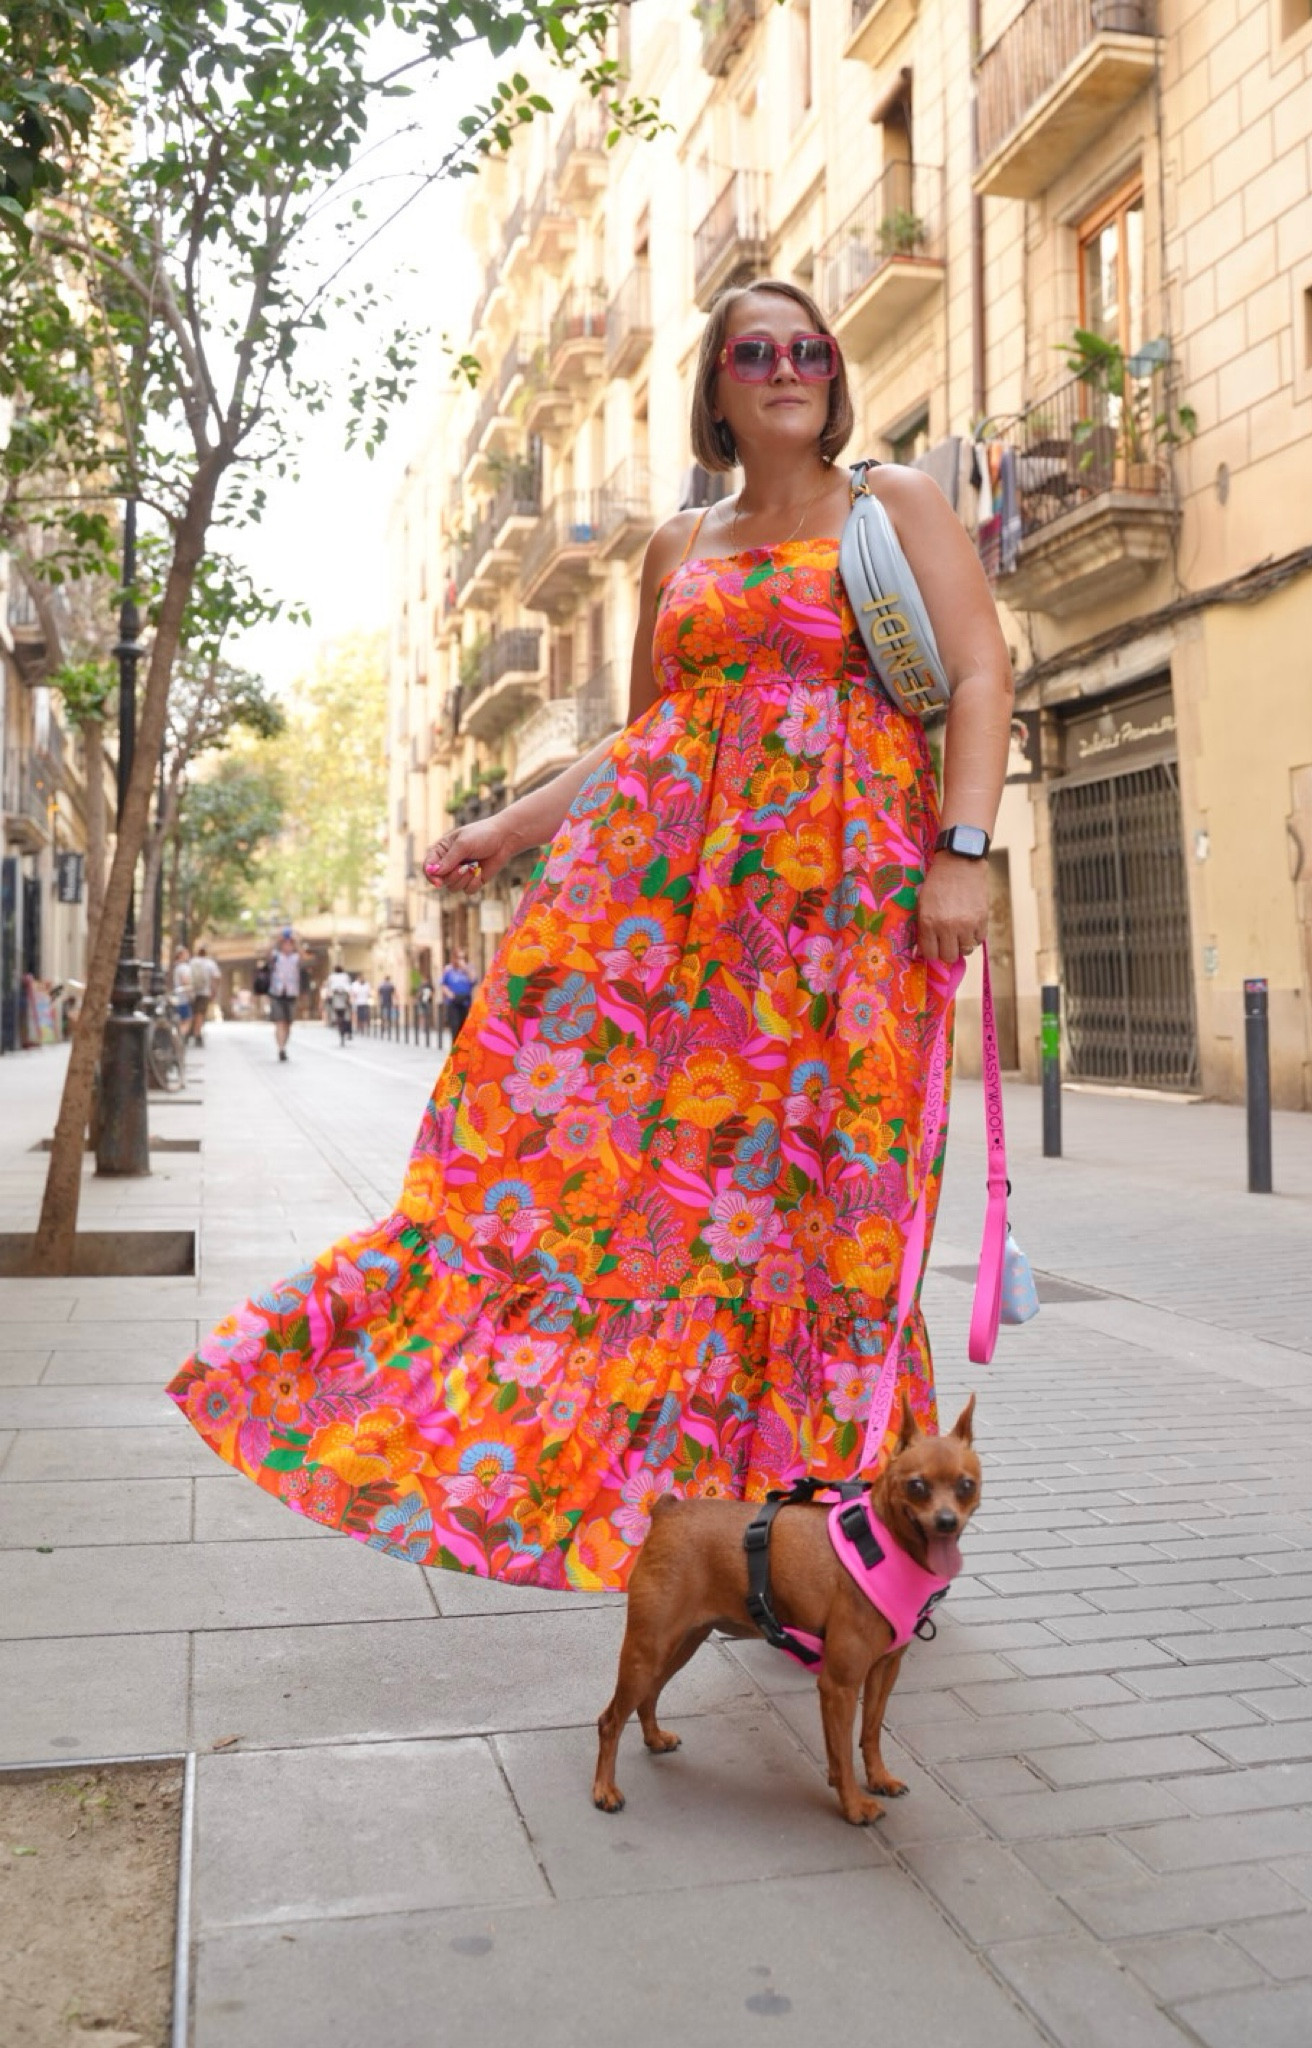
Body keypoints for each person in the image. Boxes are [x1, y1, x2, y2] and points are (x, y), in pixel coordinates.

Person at [167, 277, 1012, 1597]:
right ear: (715, 385)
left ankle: (861, 1540)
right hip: (696, 937)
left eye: (809, 348)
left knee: (836, 1205)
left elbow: (977, 671)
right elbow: (649, 741)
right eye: (756, 352)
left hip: (848, 922)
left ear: (834, 375)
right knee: (672, 1209)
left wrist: (961, 852)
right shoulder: (677, 547)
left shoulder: (889, 504)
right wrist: (508, 828)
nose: (788, 367)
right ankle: (738, 1535)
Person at [268, 930, 302, 1062]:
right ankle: (281, 1048)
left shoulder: (295, 957)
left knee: (288, 1023)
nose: (287, 946)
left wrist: (297, 941)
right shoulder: (276, 956)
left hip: (291, 993)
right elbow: (268, 953)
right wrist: (277, 939)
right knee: (280, 1022)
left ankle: (284, 1045)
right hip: (277, 993)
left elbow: (304, 956)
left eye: (290, 944)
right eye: (285, 944)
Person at [187, 943, 220, 1047]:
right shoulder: (210, 963)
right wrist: (213, 991)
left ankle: (191, 1032)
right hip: (204, 992)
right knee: (200, 1014)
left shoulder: (192, 962)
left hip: (191, 991)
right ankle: (197, 1034)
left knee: (193, 1013)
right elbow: (216, 977)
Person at [440, 951, 474, 1040]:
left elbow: (473, 980)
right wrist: (450, 994)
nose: (460, 960)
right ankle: (455, 1045)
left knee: (465, 1028)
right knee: (455, 1026)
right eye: (459, 958)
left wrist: (466, 969)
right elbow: (443, 984)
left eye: (462, 958)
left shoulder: (469, 969)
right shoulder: (449, 969)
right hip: (453, 1001)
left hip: (466, 1001)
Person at [323, 960, 353, 1046]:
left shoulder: (331, 977)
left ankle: (342, 1031)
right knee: (346, 1015)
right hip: (344, 996)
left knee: (339, 1016)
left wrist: (328, 997)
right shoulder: (345, 976)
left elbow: (329, 988)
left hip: (336, 997)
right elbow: (349, 987)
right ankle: (346, 1030)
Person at [170, 946, 193, 1035]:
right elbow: (185, 981)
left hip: (179, 997)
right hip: (183, 997)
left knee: (182, 1020)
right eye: (186, 953)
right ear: (180, 955)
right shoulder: (183, 967)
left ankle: (180, 1036)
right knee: (186, 1020)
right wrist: (190, 994)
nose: (188, 955)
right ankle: (181, 1037)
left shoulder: (177, 966)